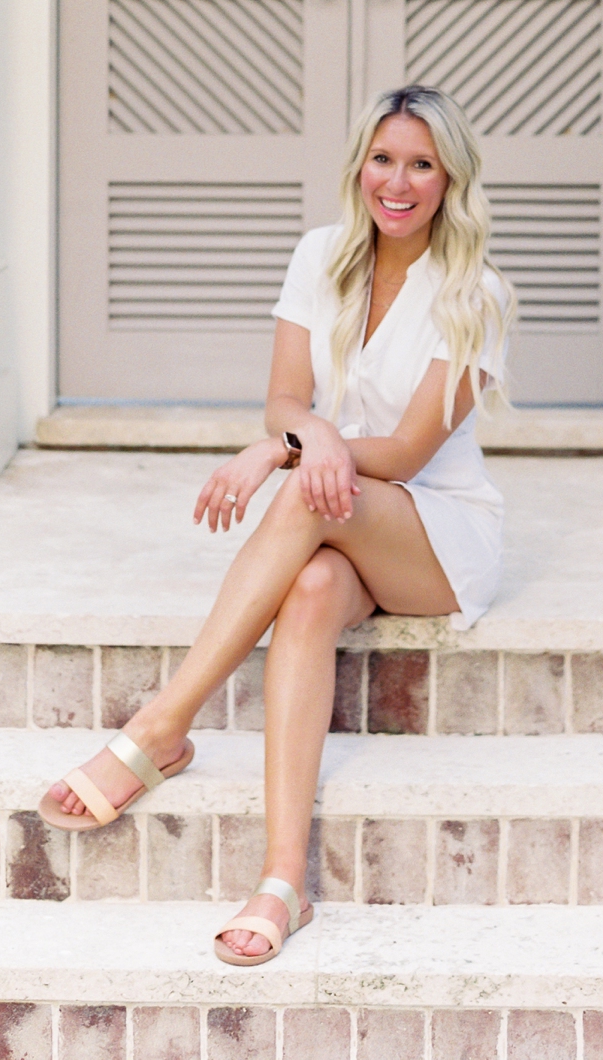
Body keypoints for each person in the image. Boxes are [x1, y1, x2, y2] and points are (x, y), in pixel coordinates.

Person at [38, 83, 514, 965]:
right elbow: (286, 399)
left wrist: (282, 453)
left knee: (303, 496)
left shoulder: (474, 292)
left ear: (451, 179)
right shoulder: (320, 256)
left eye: (421, 165)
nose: (397, 183)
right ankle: (284, 881)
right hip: (344, 520)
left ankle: (161, 727)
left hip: (437, 535)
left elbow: (407, 452)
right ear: (359, 165)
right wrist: (308, 436)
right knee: (312, 589)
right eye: (382, 159)